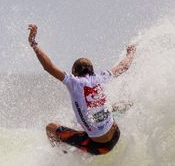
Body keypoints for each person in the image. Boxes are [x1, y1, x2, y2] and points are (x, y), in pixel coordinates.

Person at [27, 23, 136, 155]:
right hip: (116, 135)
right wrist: (131, 52)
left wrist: (33, 43)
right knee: (111, 107)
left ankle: (62, 155)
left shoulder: (73, 82)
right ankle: (130, 106)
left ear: (73, 72)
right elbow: (124, 66)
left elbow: (48, 67)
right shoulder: (102, 77)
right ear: (92, 70)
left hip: (99, 147)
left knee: (50, 128)